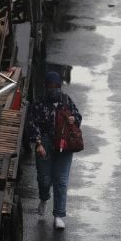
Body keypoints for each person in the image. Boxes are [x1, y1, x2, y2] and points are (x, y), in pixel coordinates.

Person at [27, 71, 82, 229]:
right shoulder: (38, 103)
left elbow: (78, 117)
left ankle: (58, 215)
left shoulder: (66, 101)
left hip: (64, 143)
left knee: (61, 180)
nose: (53, 89)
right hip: (44, 141)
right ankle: (44, 198)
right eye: (50, 86)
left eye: (56, 86)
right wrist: (38, 143)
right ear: (46, 87)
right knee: (44, 179)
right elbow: (32, 124)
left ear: (60, 86)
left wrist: (73, 119)